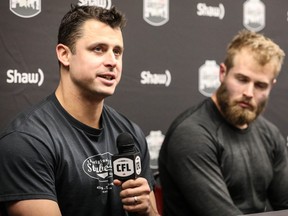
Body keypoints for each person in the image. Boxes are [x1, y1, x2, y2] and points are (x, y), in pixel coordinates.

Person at [0, 5, 160, 216]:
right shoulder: (26, 141)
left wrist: (148, 212)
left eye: (117, 51)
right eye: (98, 49)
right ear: (65, 55)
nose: (112, 62)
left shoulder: (131, 133)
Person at [158, 29, 288, 216]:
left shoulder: (270, 134)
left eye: (260, 85)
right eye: (242, 79)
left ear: (271, 86)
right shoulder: (191, 135)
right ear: (222, 73)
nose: (249, 93)